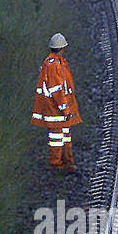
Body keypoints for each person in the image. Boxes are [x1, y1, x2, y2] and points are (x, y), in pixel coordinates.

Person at [31, 32, 81, 172]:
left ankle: (67, 161)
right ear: (63, 48)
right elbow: (57, 90)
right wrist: (65, 108)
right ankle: (56, 163)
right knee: (57, 137)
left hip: (59, 110)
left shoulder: (55, 63)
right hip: (56, 110)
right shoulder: (54, 66)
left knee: (64, 136)